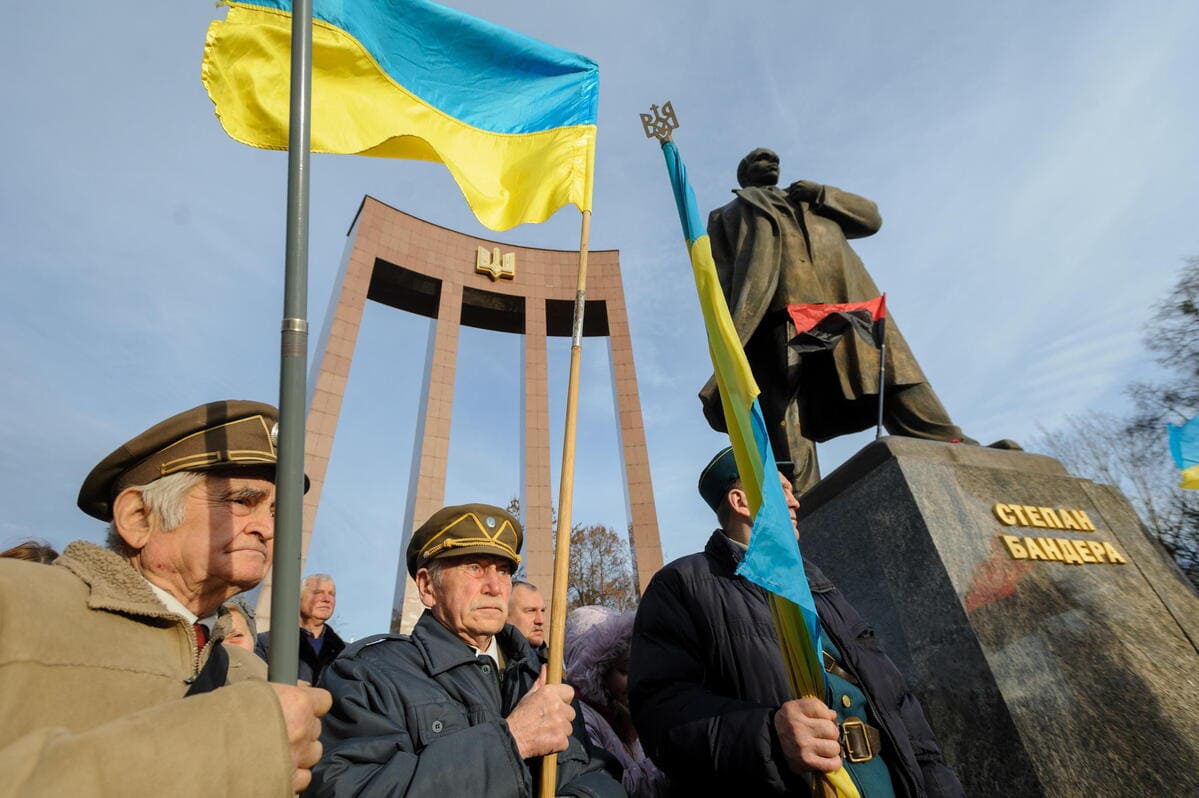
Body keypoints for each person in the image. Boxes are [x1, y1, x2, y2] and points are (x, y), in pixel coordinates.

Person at [0, 400, 331, 796]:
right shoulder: (14, 604)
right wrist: (235, 745)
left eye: (277, 512)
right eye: (242, 501)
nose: (267, 528)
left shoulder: (258, 676)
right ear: (139, 517)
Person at [629, 447, 964, 797]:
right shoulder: (682, 584)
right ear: (741, 501)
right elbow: (662, 715)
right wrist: (769, 736)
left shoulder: (820, 585)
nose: (796, 502)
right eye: (782, 490)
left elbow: (899, 706)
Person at [700, 148, 975, 491]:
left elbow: (870, 219)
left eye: (774, 159)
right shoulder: (727, 214)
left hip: (844, 302)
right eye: (760, 159)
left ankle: (946, 440)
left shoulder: (814, 200)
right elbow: (721, 275)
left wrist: (821, 193)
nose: (771, 162)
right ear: (743, 172)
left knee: (889, 370)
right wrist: (735, 330)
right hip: (780, 309)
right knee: (787, 397)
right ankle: (802, 491)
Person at [309, 503, 625, 797]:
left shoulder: (542, 672)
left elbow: (597, 771)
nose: (494, 586)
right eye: (475, 567)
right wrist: (511, 741)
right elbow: (351, 788)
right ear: (427, 586)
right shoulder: (368, 674)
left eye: (503, 570)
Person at [565, 607, 669, 798]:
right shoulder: (578, 721)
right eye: (625, 670)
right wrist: (673, 759)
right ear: (598, 674)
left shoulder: (624, 715)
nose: (637, 677)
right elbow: (609, 786)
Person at [257, 573, 346, 685]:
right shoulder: (265, 643)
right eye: (318, 592)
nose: (327, 599)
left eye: (332, 594)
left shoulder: (347, 652)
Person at [508, 579, 547, 651]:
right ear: (505, 615)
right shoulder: (492, 659)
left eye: (542, 611)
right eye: (531, 611)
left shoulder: (553, 659)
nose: (541, 620)